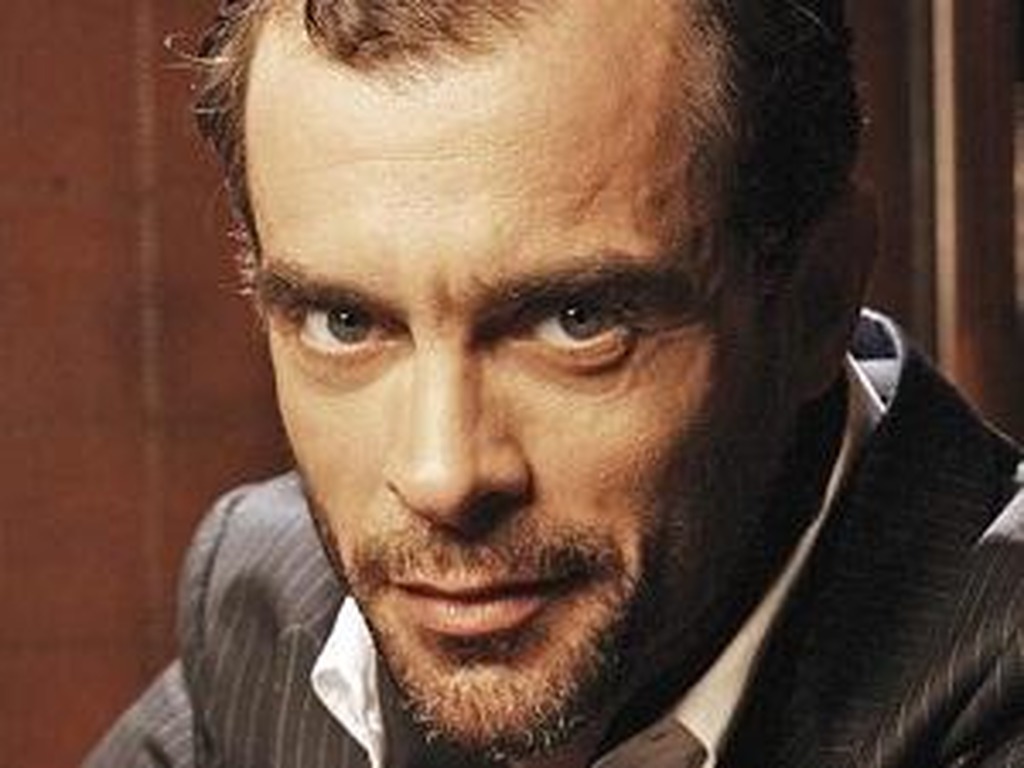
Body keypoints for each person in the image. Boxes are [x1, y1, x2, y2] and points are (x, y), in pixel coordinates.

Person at [86, 0, 1024, 766]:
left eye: (576, 320)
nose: (443, 477)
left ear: (817, 303)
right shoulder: (271, 605)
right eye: (346, 322)